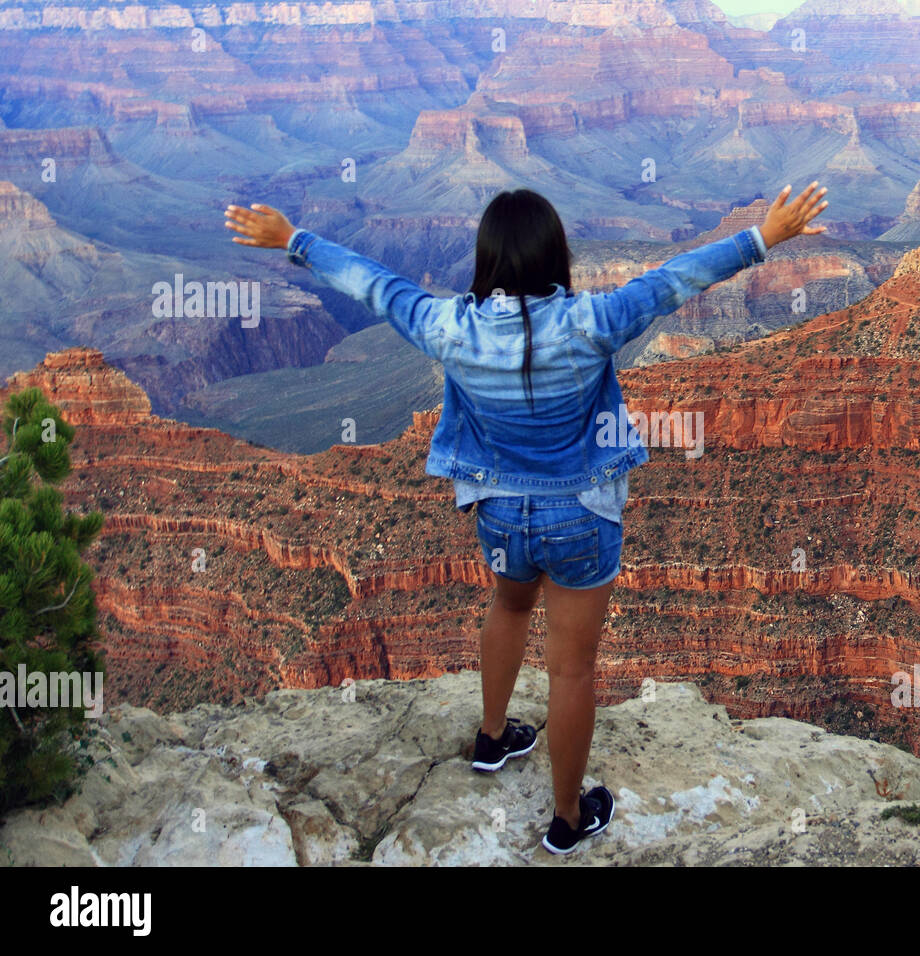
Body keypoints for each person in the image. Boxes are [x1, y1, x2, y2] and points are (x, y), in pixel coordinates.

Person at [223, 181, 829, 854]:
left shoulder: (450, 328)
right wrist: (765, 237)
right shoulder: (591, 322)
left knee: (508, 609)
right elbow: (674, 281)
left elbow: (375, 286)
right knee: (570, 672)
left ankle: (491, 737)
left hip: (501, 513)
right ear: (555, 256)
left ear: (485, 260)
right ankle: (567, 819)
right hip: (581, 515)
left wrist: (293, 241)